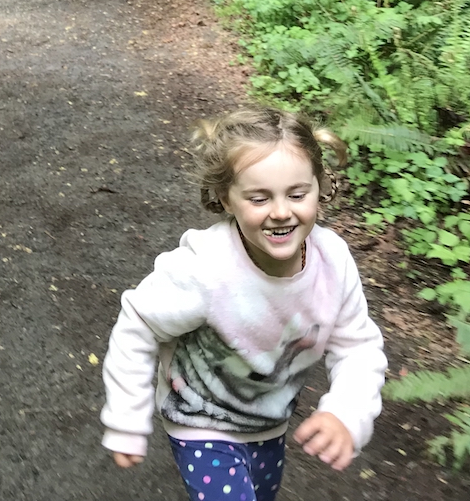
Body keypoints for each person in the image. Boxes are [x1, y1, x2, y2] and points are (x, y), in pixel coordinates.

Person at [100, 106, 387, 501]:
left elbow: (358, 347)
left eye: (297, 194)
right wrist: (126, 417)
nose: (281, 212)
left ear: (319, 187)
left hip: (268, 423)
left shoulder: (332, 262)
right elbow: (138, 324)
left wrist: (347, 412)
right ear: (226, 199)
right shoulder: (205, 268)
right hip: (200, 420)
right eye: (259, 198)